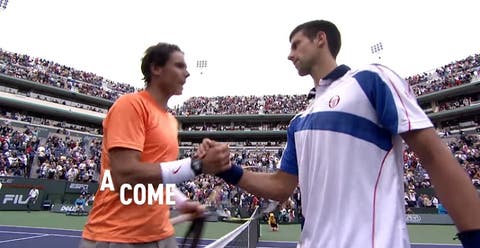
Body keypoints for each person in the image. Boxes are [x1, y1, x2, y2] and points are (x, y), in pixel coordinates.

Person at [201, 20, 480, 247]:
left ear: (320, 39)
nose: (289, 54)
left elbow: (432, 154)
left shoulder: (370, 79)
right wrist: (227, 170)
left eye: (296, 45)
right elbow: (281, 186)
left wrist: (474, 235)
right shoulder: (300, 120)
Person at [80, 43, 231, 248]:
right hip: (118, 237)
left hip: (162, 235)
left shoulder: (171, 121)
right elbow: (123, 174)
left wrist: (181, 202)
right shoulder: (130, 105)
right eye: (179, 66)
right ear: (156, 68)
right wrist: (197, 165)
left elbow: (158, 176)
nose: (187, 74)